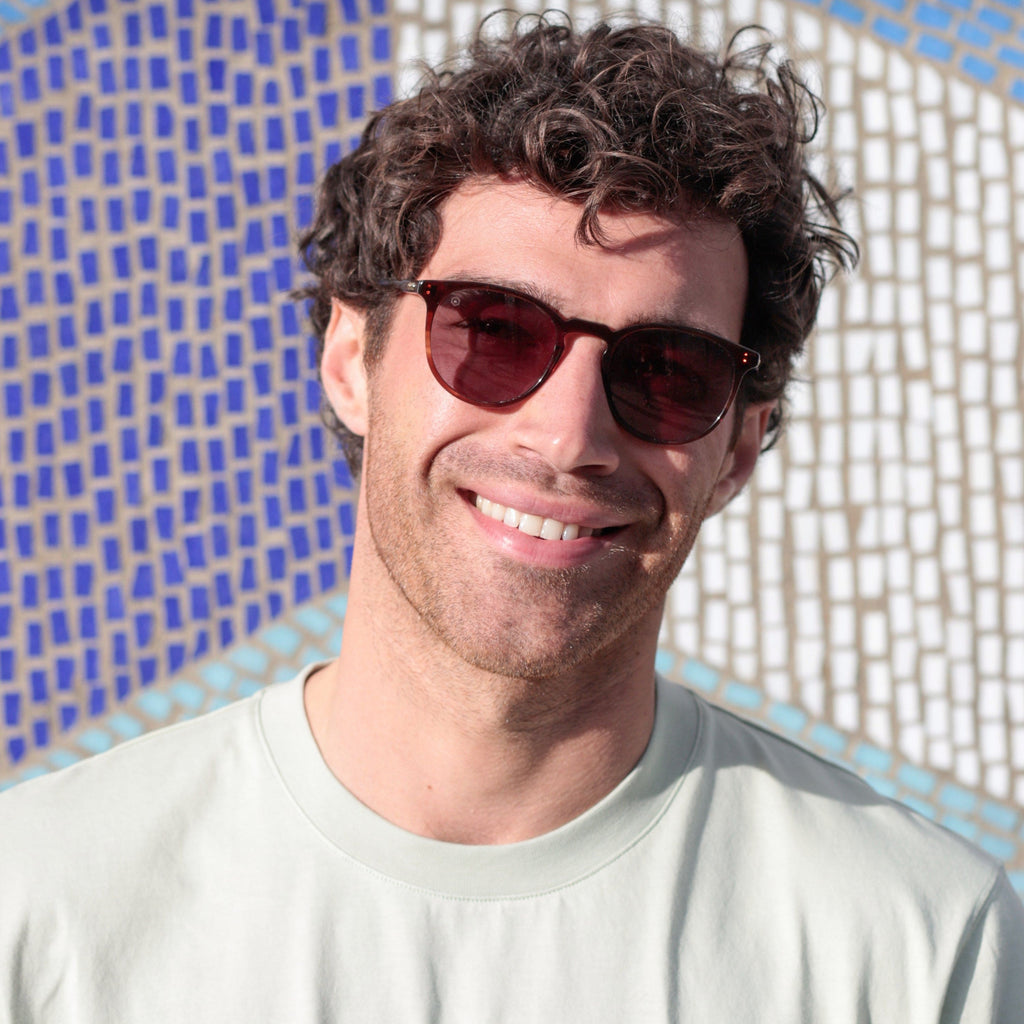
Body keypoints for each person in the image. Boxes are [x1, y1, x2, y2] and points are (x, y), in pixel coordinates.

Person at [2, 13, 1022, 1021]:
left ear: (739, 449)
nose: (568, 434)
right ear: (351, 361)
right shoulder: (43, 907)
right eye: (494, 330)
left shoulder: (919, 944)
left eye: (669, 371)